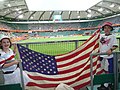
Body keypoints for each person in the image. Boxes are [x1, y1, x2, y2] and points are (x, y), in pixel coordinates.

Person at [98, 22, 118, 90]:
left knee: (109, 71)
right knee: (102, 71)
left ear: (111, 29)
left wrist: (111, 49)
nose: (106, 29)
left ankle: (109, 84)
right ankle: (103, 84)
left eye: (108, 28)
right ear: (103, 29)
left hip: (109, 57)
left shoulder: (113, 37)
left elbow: (115, 45)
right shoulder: (101, 36)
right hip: (101, 56)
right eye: (105, 28)